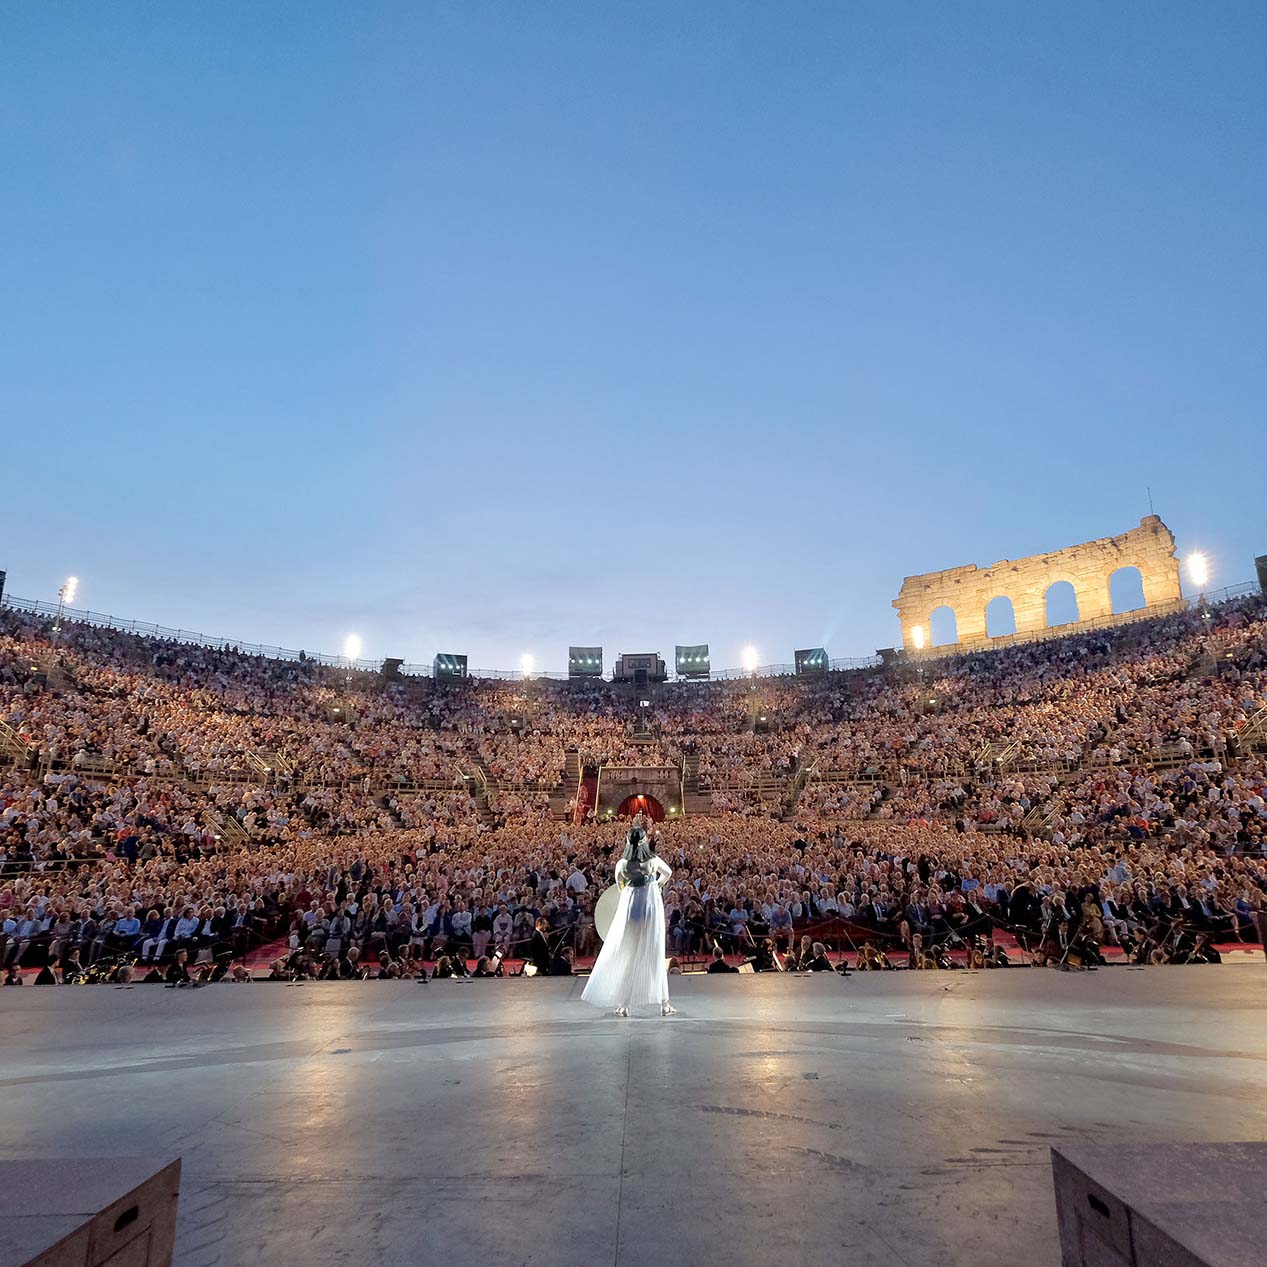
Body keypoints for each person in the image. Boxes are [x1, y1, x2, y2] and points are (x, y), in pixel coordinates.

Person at [582, 826, 676, 1016]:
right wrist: (656, 884)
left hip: (632, 905)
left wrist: (632, 890)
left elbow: (620, 885)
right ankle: (664, 1004)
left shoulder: (623, 864)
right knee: (655, 949)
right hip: (651, 905)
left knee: (628, 951)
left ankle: (624, 1004)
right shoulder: (652, 861)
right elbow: (668, 873)